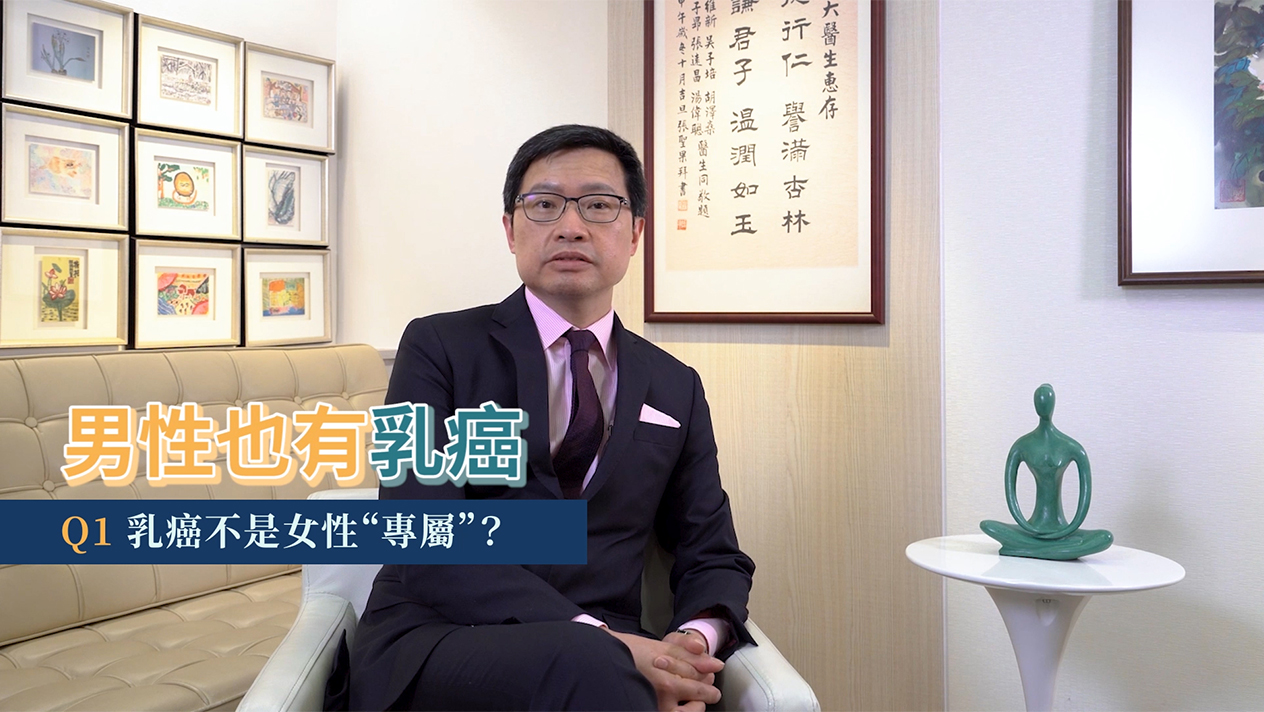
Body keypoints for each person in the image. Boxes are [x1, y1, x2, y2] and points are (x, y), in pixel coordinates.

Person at [342, 124, 755, 711]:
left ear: (635, 233)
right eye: (544, 205)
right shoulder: (438, 346)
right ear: (511, 231)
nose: (570, 226)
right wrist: (609, 644)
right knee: (598, 670)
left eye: (599, 205)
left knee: (625, 680)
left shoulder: (676, 385)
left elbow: (711, 550)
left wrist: (690, 644)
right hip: (443, 639)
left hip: (613, 665)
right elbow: (419, 530)